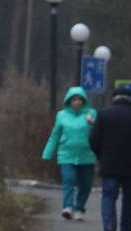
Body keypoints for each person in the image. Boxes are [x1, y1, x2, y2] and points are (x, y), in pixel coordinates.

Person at [89, 84, 131, 231]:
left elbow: (93, 140)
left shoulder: (103, 115)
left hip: (109, 164)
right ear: (130, 98)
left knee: (109, 196)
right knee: (130, 200)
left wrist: (100, 156)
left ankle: (109, 227)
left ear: (113, 98)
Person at [41, 86, 98, 220]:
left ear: (84, 101)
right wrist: (47, 153)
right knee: (69, 179)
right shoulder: (61, 115)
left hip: (87, 155)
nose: (77, 102)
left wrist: (93, 123)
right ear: (69, 101)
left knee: (86, 184)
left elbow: (100, 133)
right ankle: (67, 207)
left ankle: (79, 208)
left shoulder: (91, 113)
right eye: (74, 99)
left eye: (80, 99)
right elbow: (55, 135)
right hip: (67, 154)